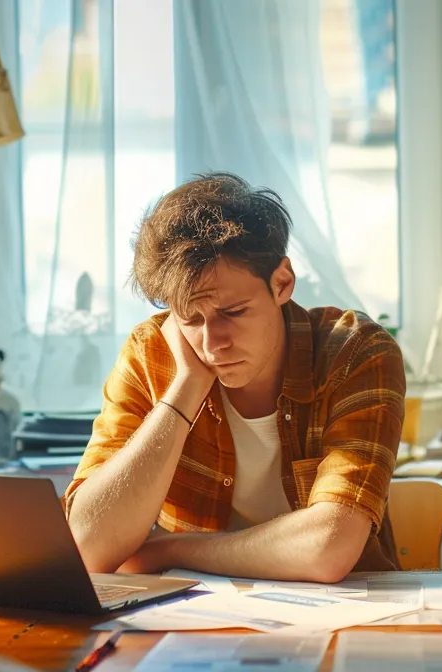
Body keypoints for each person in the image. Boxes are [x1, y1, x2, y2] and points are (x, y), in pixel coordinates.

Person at [63, 173, 405, 583]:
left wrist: (169, 548)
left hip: (346, 619)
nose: (213, 343)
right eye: (190, 318)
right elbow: (87, 546)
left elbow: (328, 548)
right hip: (192, 623)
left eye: (233, 312)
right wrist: (185, 389)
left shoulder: (354, 354)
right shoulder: (149, 354)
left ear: (282, 283)